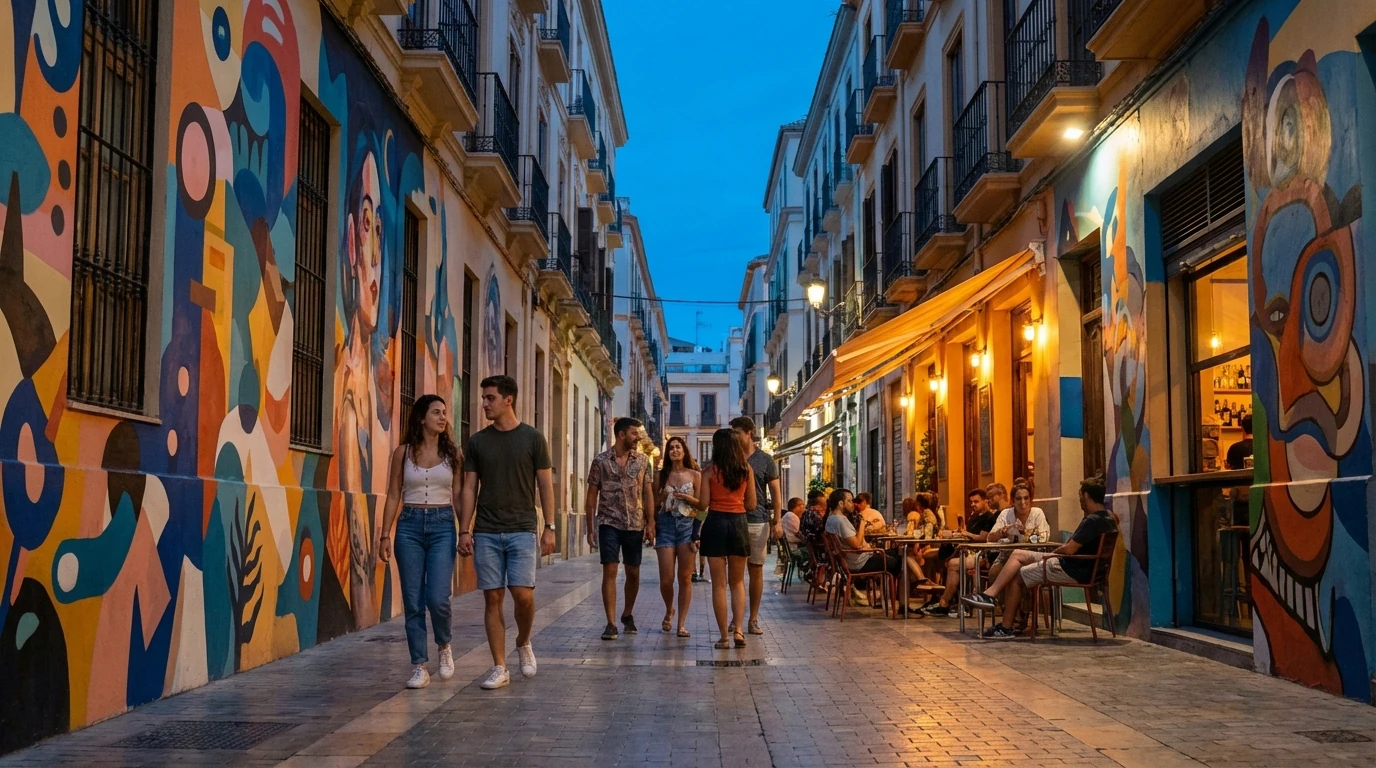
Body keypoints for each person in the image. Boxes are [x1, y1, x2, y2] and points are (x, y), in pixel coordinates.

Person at [458, 375, 556, 690]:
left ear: (508, 399)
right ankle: (499, 666)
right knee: (493, 597)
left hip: (522, 529)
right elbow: (469, 487)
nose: (484, 403)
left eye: (490, 398)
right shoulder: (477, 441)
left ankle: (523, 641)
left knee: (523, 596)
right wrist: (464, 529)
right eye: (484, 398)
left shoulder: (533, 439)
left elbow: (544, 484)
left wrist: (549, 527)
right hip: (486, 530)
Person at [964, 476, 1119, 639]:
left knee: (1017, 574)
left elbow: (1070, 549)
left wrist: (1058, 550)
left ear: (1086, 496)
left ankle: (1006, 626)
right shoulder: (1109, 518)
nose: (1079, 501)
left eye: (1080, 496)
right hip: (1080, 566)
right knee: (1018, 555)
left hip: (1069, 568)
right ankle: (990, 595)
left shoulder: (1091, 520)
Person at [379, 395, 462, 689]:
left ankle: (444, 645)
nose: (443, 417)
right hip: (409, 528)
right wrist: (385, 534)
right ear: (421, 418)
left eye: (444, 412)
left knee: (437, 598)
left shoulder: (454, 455)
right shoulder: (403, 453)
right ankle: (419, 665)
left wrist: (465, 530)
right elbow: (393, 495)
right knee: (413, 601)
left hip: (442, 526)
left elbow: (460, 495)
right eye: (436, 412)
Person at [587, 417, 655, 641]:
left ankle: (627, 614)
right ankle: (611, 623)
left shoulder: (644, 461)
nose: (638, 438)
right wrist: (590, 526)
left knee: (633, 573)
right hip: (608, 522)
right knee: (610, 570)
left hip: (634, 523)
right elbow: (592, 494)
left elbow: (648, 493)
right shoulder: (601, 461)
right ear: (622, 434)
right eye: (635, 434)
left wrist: (651, 522)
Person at [694, 428, 757, 649]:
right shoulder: (746, 470)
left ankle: (723, 637)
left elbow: (703, 505)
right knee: (738, 582)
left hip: (715, 523)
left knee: (719, 585)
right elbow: (751, 504)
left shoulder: (710, 471)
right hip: (739, 523)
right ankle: (739, 629)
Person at [823, 488, 925, 614]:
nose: (852, 504)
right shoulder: (840, 520)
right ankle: (905, 603)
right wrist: (862, 525)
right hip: (861, 562)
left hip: (857, 558)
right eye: (849, 501)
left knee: (903, 550)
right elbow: (856, 544)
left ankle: (918, 580)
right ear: (841, 503)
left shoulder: (831, 519)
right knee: (903, 561)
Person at [730, 417, 781, 636]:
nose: (735, 437)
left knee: (756, 570)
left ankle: (753, 618)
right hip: (734, 519)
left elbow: (776, 493)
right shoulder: (731, 458)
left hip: (758, 520)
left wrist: (777, 520)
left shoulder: (765, 460)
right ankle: (737, 618)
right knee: (736, 574)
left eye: (738, 432)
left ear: (749, 433)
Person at [921, 488, 1001, 616]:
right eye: (971, 502)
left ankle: (944, 602)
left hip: (981, 554)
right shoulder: (974, 516)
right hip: (967, 550)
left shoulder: (989, 518)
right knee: (942, 558)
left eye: (976, 502)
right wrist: (955, 534)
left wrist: (964, 533)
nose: (973, 505)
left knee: (952, 564)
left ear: (985, 501)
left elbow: (982, 538)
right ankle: (948, 600)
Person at [654, 436, 701, 637]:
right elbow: (653, 503)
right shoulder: (660, 475)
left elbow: (703, 506)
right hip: (665, 525)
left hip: (687, 527)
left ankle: (681, 623)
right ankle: (668, 609)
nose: (674, 450)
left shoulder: (695, 475)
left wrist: (697, 533)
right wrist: (661, 497)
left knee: (685, 578)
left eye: (678, 447)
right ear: (667, 452)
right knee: (666, 579)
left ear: (684, 450)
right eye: (671, 448)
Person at [777, 497, 806, 576]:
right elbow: (798, 534)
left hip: (791, 547)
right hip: (793, 549)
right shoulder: (792, 516)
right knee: (813, 553)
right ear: (796, 507)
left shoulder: (789, 515)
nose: (804, 508)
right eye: (802, 505)